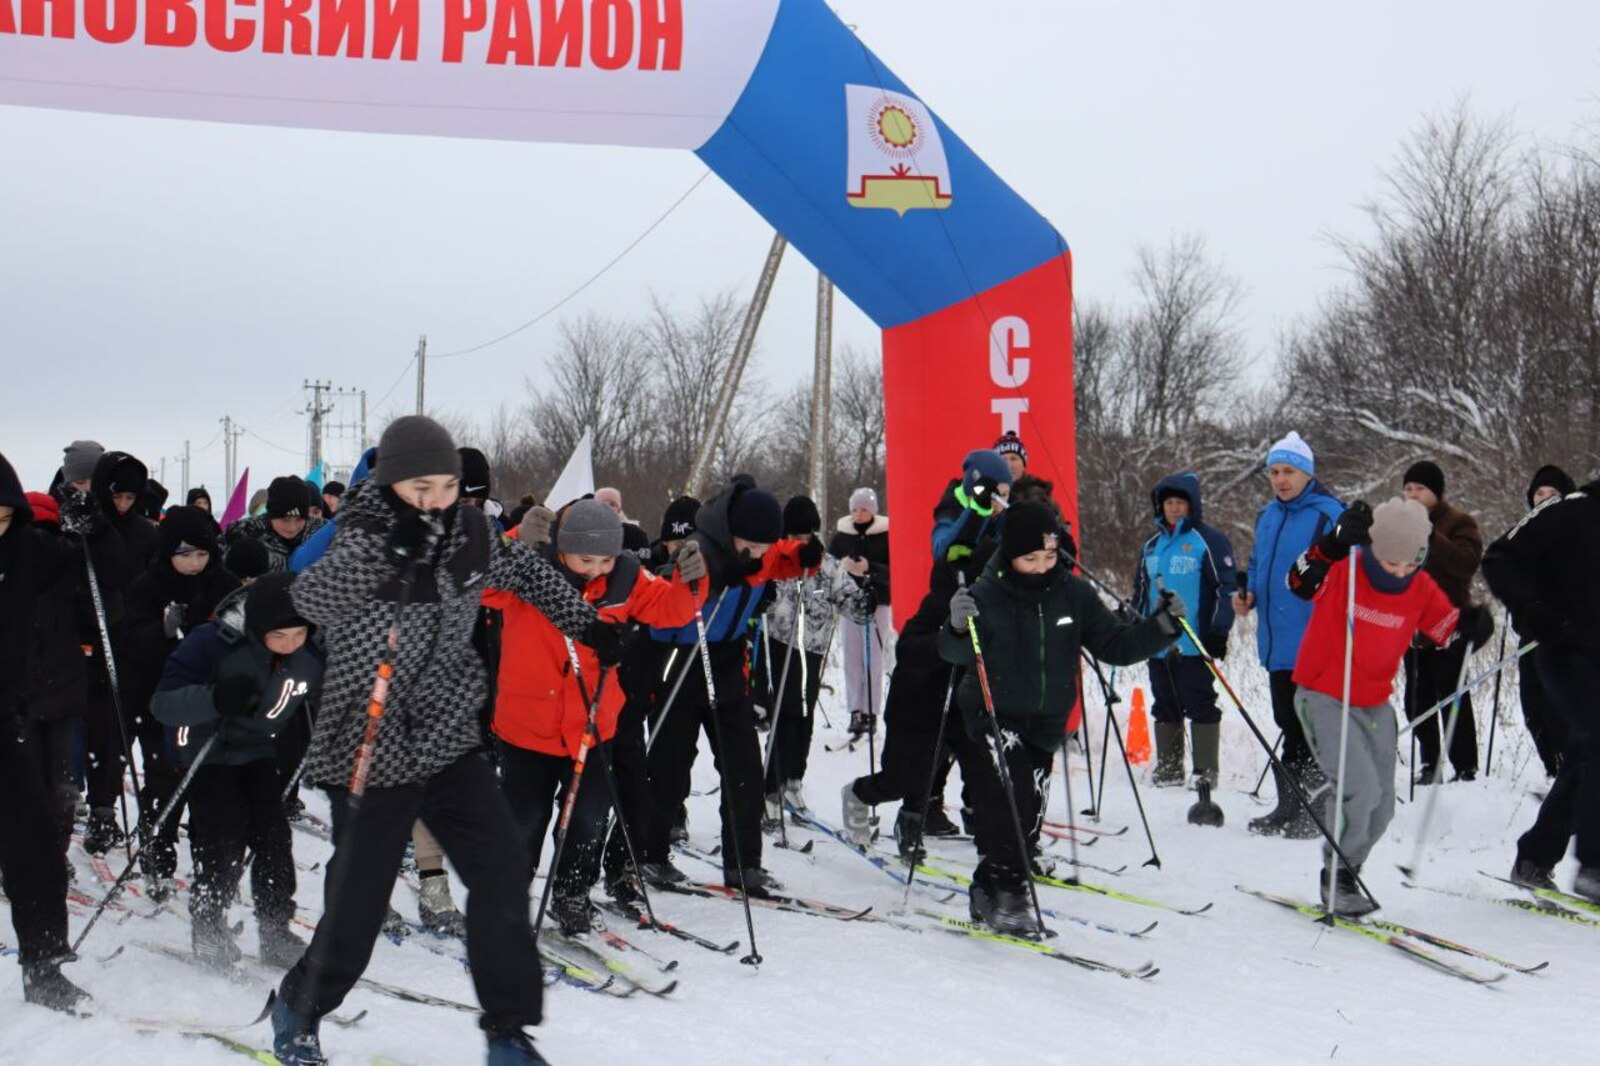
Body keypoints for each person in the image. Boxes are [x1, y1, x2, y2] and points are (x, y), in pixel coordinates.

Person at [271, 415, 608, 1065]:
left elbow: (528, 576)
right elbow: (304, 597)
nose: (435, 499)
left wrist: (587, 625)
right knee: (360, 902)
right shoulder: (360, 535)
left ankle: (507, 1031)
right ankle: (300, 1006)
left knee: (502, 871)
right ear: (393, 482)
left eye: (447, 485)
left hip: (448, 734)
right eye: (419, 486)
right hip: (369, 741)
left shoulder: (472, 532)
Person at [937, 502, 1184, 933]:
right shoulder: (987, 594)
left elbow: (1116, 646)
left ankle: (985, 890)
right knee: (1011, 800)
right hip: (994, 715)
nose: (1040, 567)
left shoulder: (1074, 594)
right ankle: (1012, 897)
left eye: (1049, 558)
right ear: (1010, 555)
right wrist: (957, 627)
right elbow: (955, 653)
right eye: (1029, 559)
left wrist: (1162, 626)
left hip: (1046, 721)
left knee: (1028, 815)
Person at [488, 499, 704, 935]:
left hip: (591, 725)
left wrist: (690, 579)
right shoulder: (529, 570)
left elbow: (672, 610)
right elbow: (480, 582)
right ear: (562, 549)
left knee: (588, 819)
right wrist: (514, 540)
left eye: (605, 559)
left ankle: (571, 893)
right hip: (527, 725)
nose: (596, 570)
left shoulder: (625, 576)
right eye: (586, 559)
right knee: (524, 820)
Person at [1287, 498, 1490, 915]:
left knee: (1381, 808)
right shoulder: (1347, 570)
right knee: (1359, 790)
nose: (1397, 572)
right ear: (1374, 546)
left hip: (1374, 703)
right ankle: (1335, 877)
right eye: (1389, 561)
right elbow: (1298, 581)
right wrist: (1330, 544)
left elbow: (1443, 629)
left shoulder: (1418, 586)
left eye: (1408, 563)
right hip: (1323, 693)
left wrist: (1470, 627)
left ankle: (1349, 874)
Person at [638, 476, 819, 894]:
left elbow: (785, 555)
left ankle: (744, 863)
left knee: (743, 768)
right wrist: (713, 577)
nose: (758, 554)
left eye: (764, 545)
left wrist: (807, 553)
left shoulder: (765, 548)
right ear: (731, 534)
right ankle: (649, 853)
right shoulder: (701, 546)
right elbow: (669, 591)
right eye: (749, 545)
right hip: (681, 660)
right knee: (669, 766)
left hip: (725, 664)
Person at [151, 572, 323, 969]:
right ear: (258, 626)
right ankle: (209, 927)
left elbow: (321, 693)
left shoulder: (309, 652)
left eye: (299, 634)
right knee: (223, 836)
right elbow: (162, 703)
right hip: (205, 751)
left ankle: (275, 929)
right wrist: (216, 698)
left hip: (257, 749)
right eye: (280, 636)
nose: (291, 645)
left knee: (274, 837)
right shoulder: (213, 643)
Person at [1482, 473, 1600, 902]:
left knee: (1585, 759)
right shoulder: (1568, 511)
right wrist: (1533, 609)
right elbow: (1498, 559)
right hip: (1565, 650)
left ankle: (1534, 857)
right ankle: (1594, 867)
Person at [0, 452, 89, 1012]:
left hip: (5, 716)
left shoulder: (26, 551)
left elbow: (84, 560)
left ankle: (45, 965)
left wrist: (89, 515)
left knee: (33, 843)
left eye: (3, 516)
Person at [120, 505, 240, 900]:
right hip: (161, 700)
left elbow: (243, 637)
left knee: (209, 789)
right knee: (164, 782)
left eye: (201, 554)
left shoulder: (224, 584)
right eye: (184, 554)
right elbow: (131, 643)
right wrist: (162, 630)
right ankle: (159, 855)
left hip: (212, 704)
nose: (193, 563)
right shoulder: (146, 585)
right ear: (168, 552)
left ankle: (212, 869)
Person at [1234, 432, 1345, 838]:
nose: (1281, 479)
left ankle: (1318, 813)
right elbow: (1259, 562)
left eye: (1289, 471)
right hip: (1277, 642)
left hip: (1316, 641)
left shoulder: (1329, 515)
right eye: (1274, 472)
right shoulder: (1269, 515)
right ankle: (1290, 807)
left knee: (1309, 726)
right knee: (1287, 720)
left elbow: (1348, 572)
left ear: (1307, 473)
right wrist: (1247, 594)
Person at [761, 496, 863, 823]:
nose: (797, 544)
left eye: (803, 538)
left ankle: (793, 781)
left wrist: (870, 597)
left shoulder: (828, 565)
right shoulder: (773, 560)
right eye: (791, 537)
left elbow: (852, 603)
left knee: (804, 717)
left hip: (813, 650)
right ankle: (770, 788)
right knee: (786, 713)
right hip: (779, 645)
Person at [1133, 473, 1238, 788]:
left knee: (1200, 701)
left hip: (1194, 641)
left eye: (1181, 503)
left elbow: (1225, 588)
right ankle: (1169, 767)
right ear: (1160, 506)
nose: (1175, 508)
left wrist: (1219, 631)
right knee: (1164, 701)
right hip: (1158, 641)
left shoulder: (1209, 541)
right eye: (1169, 503)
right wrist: (1132, 623)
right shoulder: (1152, 547)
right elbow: (1141, 591)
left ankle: (1205, 769)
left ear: (1192, 506)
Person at [1399, 461, 1484, 782]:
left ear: (1436, 492)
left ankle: (1465, 766)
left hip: (1449, 623)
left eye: (1420, 489)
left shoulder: (1459, 522)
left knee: (1452, 698)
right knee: (1416, 701)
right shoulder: (1400, 525)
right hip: (1411, 626)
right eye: (1407, 489)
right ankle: (1429, 763)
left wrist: (1431, 535)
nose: (1413, 495)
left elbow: (1466, 564)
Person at [1512, 465, 1577, 778]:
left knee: (1559, 710)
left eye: (1553, 494)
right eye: (1540, 493)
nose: (1546, 499)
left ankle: (1568, 778)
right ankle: (1554, 769)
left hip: (1566, 641)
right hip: (1530, 638)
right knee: (1533, 709)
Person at [828, 487, 892, 742]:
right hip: (850, 603)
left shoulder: (886, 534)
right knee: (852, 659)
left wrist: (870, 569)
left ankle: (871, 711)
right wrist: (842, 568)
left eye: (864, 508)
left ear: (873, 510)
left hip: (878, 602)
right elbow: (829, 565)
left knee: (873, 659)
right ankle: (856, 711)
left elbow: (893, 569)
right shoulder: (842, 535)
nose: (859, 514)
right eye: (855, 509)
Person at [224, 475, 328, 573]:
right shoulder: (243, 531)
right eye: (285, 519)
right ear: (271, 514)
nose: (292, 528)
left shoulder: (322, 531)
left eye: (299, 519)